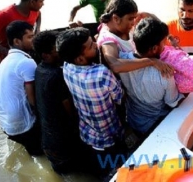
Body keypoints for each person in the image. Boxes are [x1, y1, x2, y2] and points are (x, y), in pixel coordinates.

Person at [57, 27, 126, 178]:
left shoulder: (67, 66)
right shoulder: (101, 73)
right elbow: (119, 97)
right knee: (119, 172)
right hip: (110, 137)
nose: (96, 45)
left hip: (88, 134)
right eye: (90, 46)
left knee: (104, 172)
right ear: (80, 59)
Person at [118, 18, 184, 136]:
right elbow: (172, 102)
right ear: (154, 49)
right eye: (163, 43)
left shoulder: (121, 60)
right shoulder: (165, 74)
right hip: (155, 126)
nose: (165, 46)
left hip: (133, 121)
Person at [33, 30, 84, 174]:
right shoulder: (57, 75)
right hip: (62, 142)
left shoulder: (39, 69)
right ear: (45, 55)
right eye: (56, 50)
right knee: (75, 171)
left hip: (48, 140)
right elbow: (69, 109)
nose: (60, 52)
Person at [0, 20, 43, 156]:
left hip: (5, 124)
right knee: (39, 154)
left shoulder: (4, 63)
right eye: (30, 37)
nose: (33, 40)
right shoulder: (26, 62)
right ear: (17, 41)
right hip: (22, 125)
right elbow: (33, 99)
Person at [98, 0, 173, 76]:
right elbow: (115, 65)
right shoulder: (107, 40)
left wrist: (165, 34)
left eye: (134, 18)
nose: (134, 22)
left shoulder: (124, 24)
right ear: (116, 19)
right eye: (130, 19)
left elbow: (145, 15)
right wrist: (151, 61)